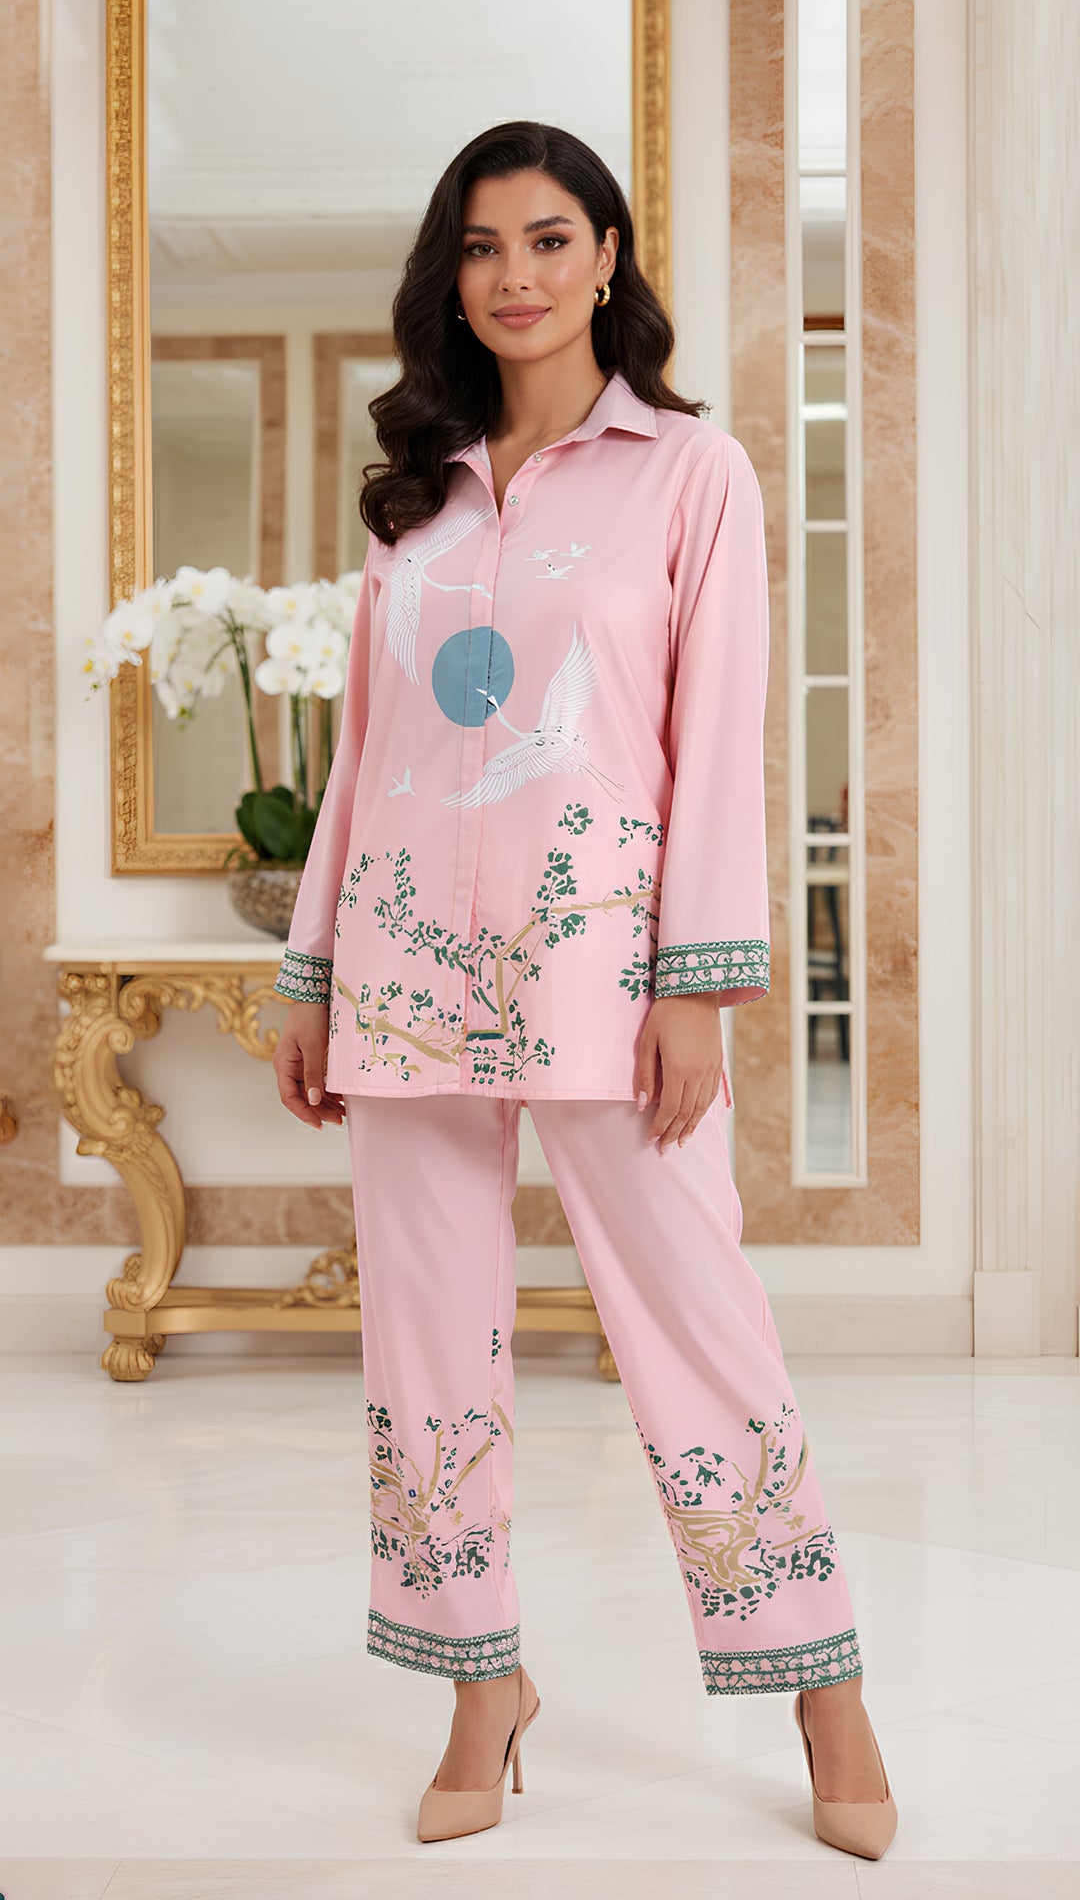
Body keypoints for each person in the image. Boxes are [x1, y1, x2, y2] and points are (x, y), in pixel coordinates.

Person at [271, 119, 896, 1859]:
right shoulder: (414, 493)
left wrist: (694, 981)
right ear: (451, 275)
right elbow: (363, 756)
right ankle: (483, 1687)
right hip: (401, 970)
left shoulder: (694, 472)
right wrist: (312, 969)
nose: (516, 277)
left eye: (550, 239)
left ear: (607, 256)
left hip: (605, 972)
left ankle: (826, 1687)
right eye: (482, 247)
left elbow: (720, 735)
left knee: (697, 1317)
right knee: (425, 1342)